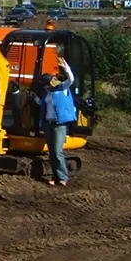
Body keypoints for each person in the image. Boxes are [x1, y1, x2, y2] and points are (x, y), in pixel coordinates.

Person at [34, 55, 76, 186]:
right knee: (52, 152)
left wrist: (66, 68)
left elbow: (71, 79)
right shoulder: (47, 93)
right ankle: (55, 176)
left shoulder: (62, 89)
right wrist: (34, 98)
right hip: (48, 123)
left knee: (58, 151)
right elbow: (43, 104)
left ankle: (63, 177)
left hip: (59, 124)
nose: (47, 87)